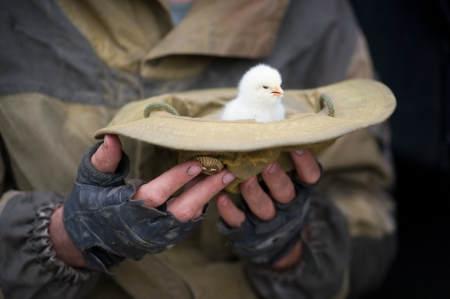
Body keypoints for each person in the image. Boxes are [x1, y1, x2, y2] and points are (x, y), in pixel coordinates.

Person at [0, 0, 396, 298]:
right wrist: (63, 237)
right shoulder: (18, 16)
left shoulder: (316, 16)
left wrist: (292, 249)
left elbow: (369, 210)